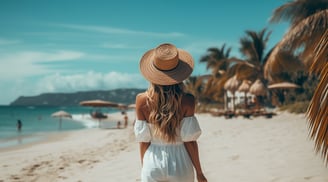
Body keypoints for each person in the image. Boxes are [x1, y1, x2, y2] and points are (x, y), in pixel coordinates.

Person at [134, 43, 207, 182]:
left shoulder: (141, 100)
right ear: (179, 74)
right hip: (180, 163)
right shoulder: (188, 100)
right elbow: (190, 141)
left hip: (152, 161)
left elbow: (143, 141)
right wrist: (199, 172)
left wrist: (145, 166)